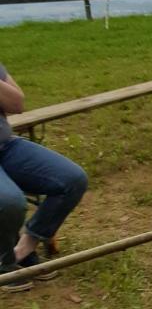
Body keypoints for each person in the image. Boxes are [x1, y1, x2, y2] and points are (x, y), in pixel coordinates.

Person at [0, 64, 88, 292]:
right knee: (9, 202)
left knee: (71, 179)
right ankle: (5, 262)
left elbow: (16, 104)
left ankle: (24, 249)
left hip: (6, 146)